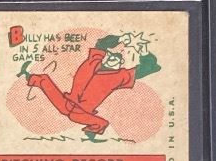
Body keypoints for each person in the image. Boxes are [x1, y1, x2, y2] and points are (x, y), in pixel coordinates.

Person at [24, 34, 160, 139]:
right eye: (110, 55)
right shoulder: (94, 61)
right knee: (44, 80)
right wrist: (120, 39)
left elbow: (151, 67)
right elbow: (101, 44)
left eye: (117, 58)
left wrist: (144, 52)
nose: (112, 58)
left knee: (102, 123)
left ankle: (90, 135)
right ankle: (28, 76)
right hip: (65, 103)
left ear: (121, 63)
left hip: (81, 113)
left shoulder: (120, 76)